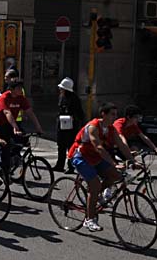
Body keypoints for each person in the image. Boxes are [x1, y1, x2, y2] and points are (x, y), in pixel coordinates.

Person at [67, 103, 134, 232]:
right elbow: (98, 147)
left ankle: (97, 195)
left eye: (116, 114)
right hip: (81, 157)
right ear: (103, 114)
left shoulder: (110, 129)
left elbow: (121, 145)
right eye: (112, 114)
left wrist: (132, 160)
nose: (115, 117)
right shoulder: (93, 126)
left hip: (96, 157)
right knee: (95, 186)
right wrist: (114, 163)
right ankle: (89, 220)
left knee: (116, 176)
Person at [0, 80, 44, 174]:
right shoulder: (4, 98)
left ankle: (12, 156)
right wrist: (15, 127)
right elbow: (7, 112)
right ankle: (4, 171)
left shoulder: (21, 98)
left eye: (21, 88)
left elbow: (30, 112)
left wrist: (38, 127)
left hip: (10, 123)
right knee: (5, 146)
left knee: (24, 139)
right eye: (18, 88)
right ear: (11, 89)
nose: (21, 90)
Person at [53, 77, 85, 172]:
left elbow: (80, 114)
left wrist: (73, 118)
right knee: (61, 146)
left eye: (62, 88)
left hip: (71, 127)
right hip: (61, 125)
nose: (60, 90)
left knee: (70, 146)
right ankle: (60, 165)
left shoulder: (74, 99)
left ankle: (71, 166)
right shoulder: (61, 97)